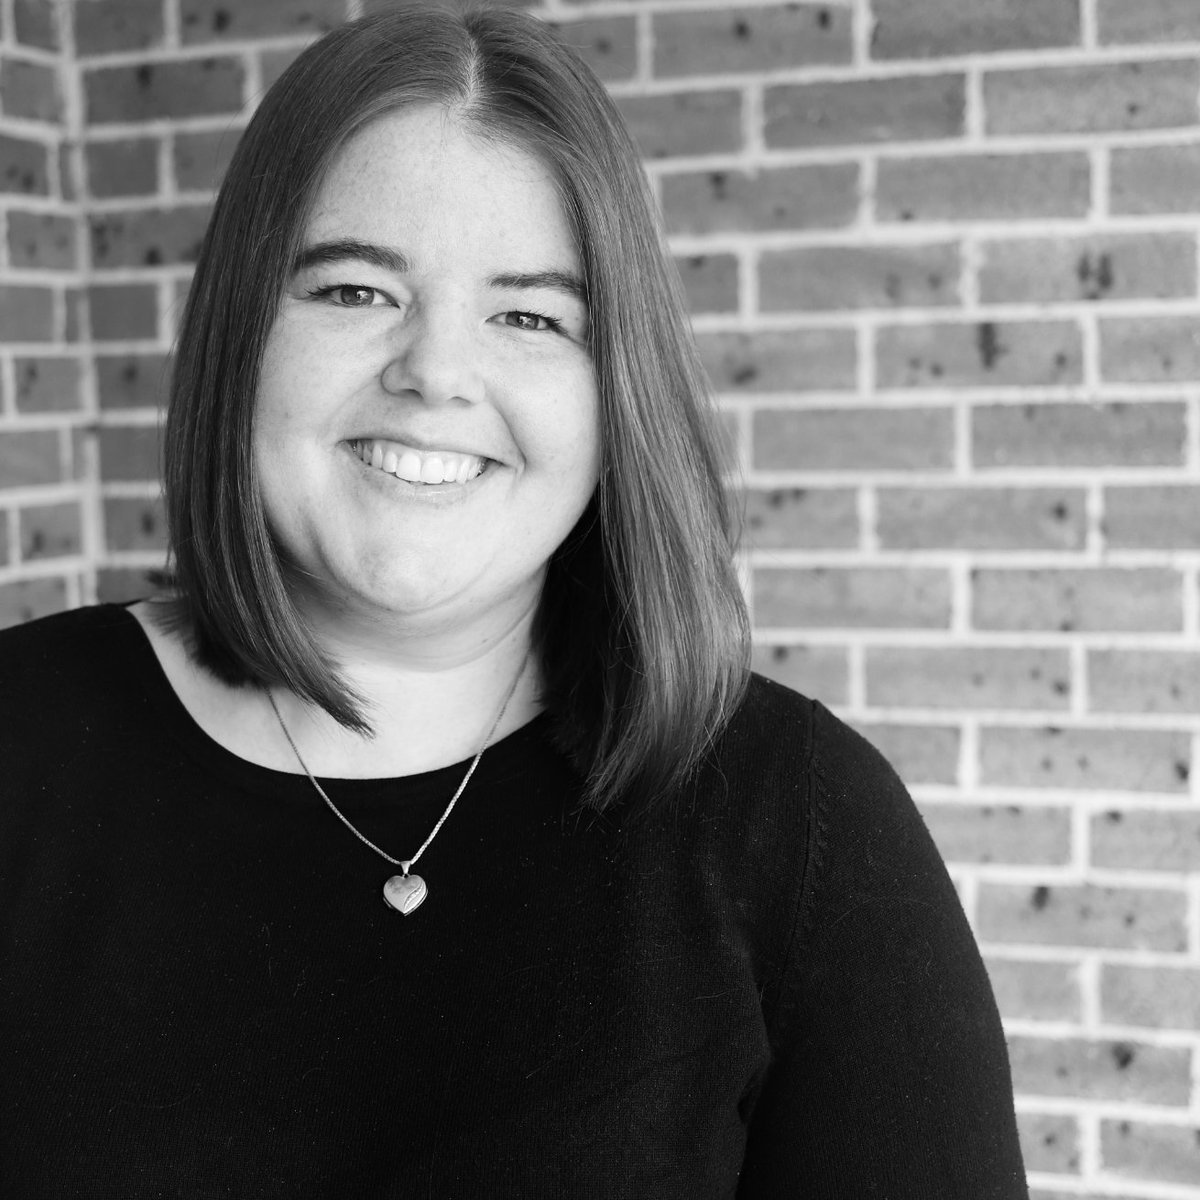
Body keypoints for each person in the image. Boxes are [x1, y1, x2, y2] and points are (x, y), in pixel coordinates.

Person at [0, 7, 1028, 1196]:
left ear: (616, 392)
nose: (436, 372)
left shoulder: (802, 825)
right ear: (242, 331)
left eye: (532, 316)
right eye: (353, 291)